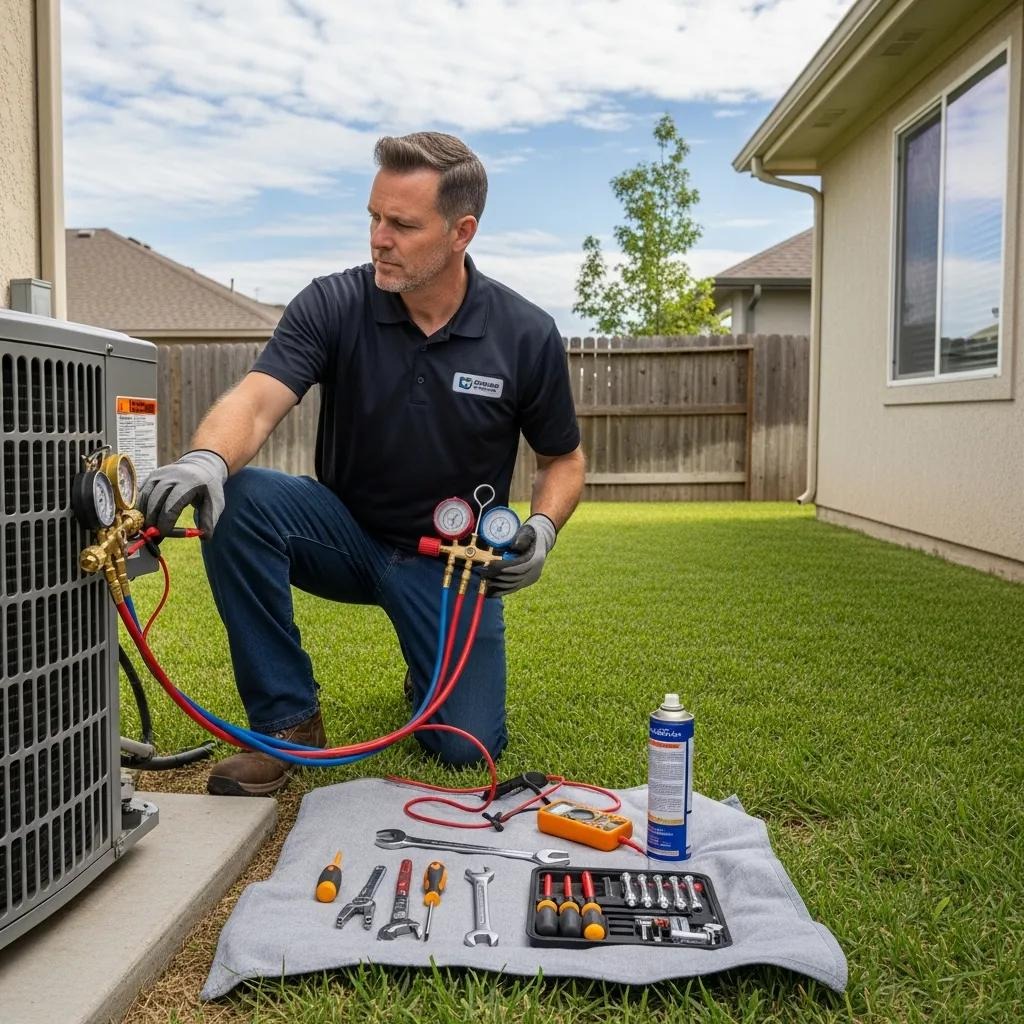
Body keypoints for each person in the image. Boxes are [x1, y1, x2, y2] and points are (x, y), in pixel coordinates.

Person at [139, 131, 586, 796]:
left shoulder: (523, 333)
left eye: (403, 225)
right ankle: (288, 724)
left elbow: (563, 459)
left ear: (462, 231)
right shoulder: (335, 302)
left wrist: (544, 529)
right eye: (374, 218)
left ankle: (424, 669)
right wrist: (206, 458)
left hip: (449, 560)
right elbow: (258, 401)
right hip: (344, 533)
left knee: (463, 748)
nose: (380, 238)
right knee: (241, 498)